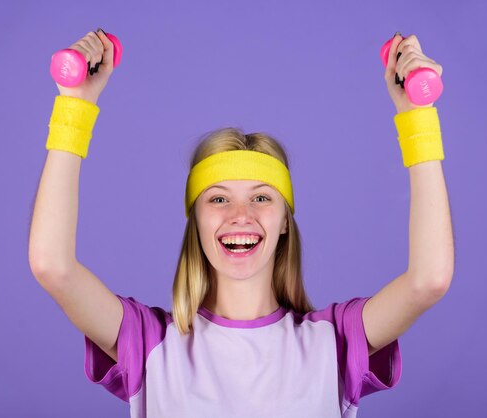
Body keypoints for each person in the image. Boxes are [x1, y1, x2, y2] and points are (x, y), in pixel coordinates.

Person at [29, 28, 454, 418]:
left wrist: (417, 117)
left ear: (285, 221)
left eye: (261, 198)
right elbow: (53, 266)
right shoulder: (149, 342)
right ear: (194, 220)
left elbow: (429, 279)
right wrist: (74, 105)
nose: (240, 216)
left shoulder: (335, 342)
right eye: (218, 198)